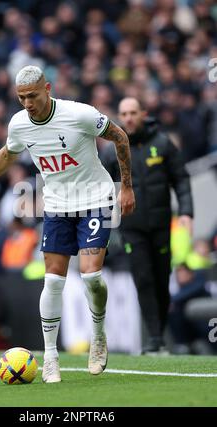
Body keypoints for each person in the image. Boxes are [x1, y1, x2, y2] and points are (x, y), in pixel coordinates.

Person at [0, 65, 135, 382]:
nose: (27, 103)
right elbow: (7, 154)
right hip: (56, 205)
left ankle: (98, 337)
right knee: (53, 281)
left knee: (92, 276)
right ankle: (51, 356)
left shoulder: (79, 115)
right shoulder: (19, 124)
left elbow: (120, 136)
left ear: (48, 88)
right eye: (21, 97)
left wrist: (127, 186)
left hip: (95, 198)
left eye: (32, 95)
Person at [102, 97, 193, 354]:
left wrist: (186, 212)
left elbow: (182, 179)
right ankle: (155, 338)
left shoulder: (163, 144)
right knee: (142, 278)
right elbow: (102, 186)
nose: (128, 118)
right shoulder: (111, 151)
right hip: (132, 228)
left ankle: (159, 334)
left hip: (162, 225)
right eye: (123, 113)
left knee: (161, 279)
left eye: (133, 113)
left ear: (144, 113)